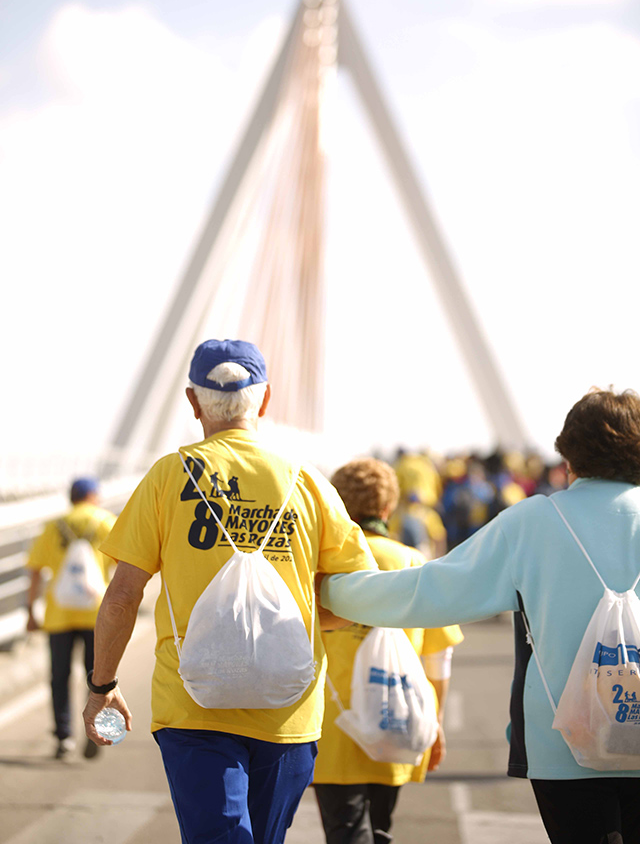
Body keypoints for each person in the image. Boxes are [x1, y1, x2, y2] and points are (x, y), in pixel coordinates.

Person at [83, 338, 378, 844]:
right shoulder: (307, 482)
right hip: (289, 707)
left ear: (193, 401)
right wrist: (286, 625)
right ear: (263, 401)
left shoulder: (168, 476)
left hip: (194, 703)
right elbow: (358, 600)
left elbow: (122, 597)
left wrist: (101, 686)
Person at [321, 389, 640, 844]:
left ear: (568, 454)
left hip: (563, 741)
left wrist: (328, 590)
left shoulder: (537, 521)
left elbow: (429, 591)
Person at [314, 457, 463, 844]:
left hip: (332, 726)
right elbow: (438, 656)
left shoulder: (322, 564)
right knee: (379, 827)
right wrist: (437, 719)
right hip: (396, 717)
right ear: (387, 508)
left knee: (345, 830)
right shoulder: (413, 563)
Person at [26, 477, 115, 759]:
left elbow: (35, 571)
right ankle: (96, 730)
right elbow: (126, 567)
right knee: (98, 677)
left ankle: (63, 737)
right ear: (93, 495)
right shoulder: (105, 522)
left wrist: (30, 610)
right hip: (96, 614)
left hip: (58, 613)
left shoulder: (54, 525)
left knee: (59, 677)